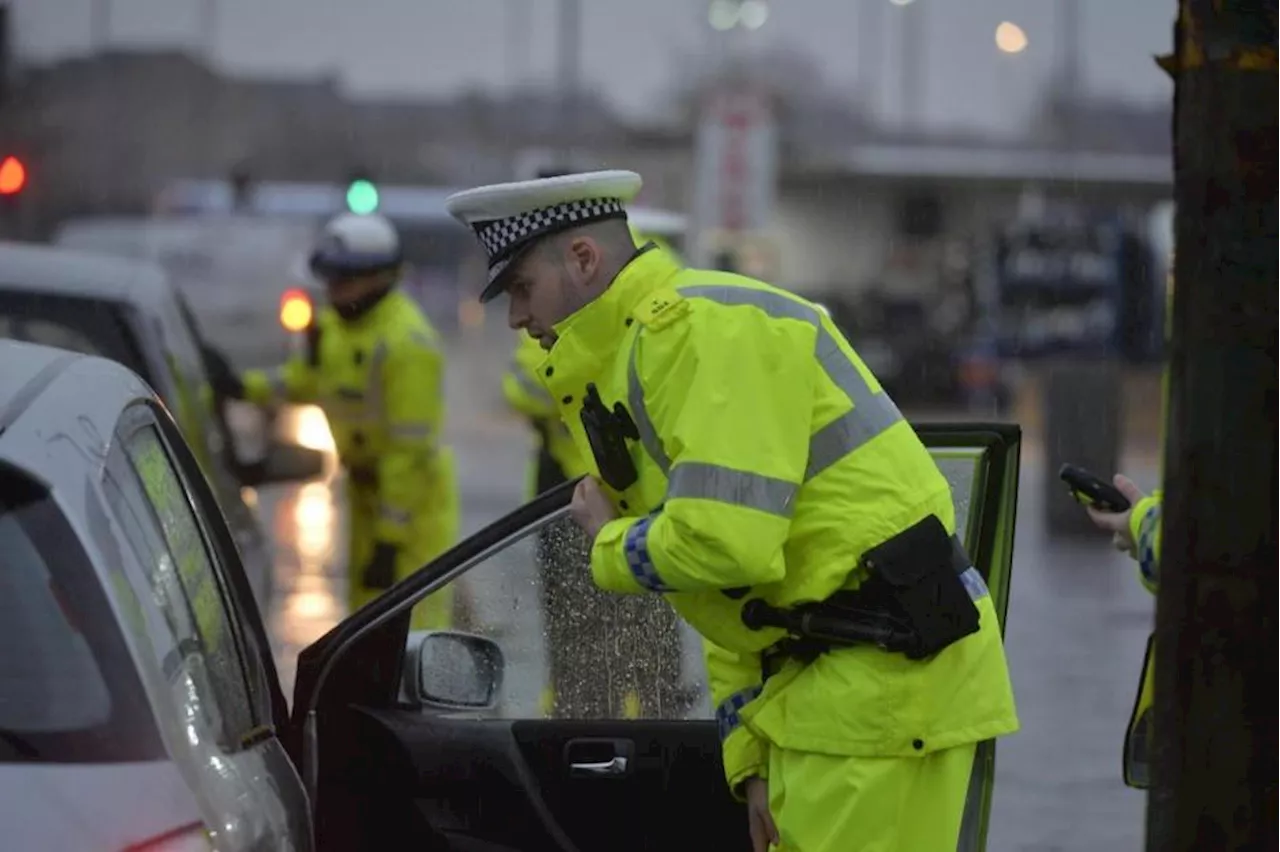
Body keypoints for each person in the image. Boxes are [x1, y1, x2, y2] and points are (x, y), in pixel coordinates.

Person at [446, 170, 1018, 851]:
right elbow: (727, 597)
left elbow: (729, 546)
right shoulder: (640, 355)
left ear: (583, 260)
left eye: (521, 289)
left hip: (881, 686)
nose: (515, 317)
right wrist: (748, 758)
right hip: (837, 686)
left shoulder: (700, 335)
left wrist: (609, 544)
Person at [207, 212, 461, 630]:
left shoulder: (408, 344)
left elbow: (408, 453)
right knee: (366, 625)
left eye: (343, 280)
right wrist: (240, 385)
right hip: (365, 496)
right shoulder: (337, 328)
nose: (333, 291)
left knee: (413, 631)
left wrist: (389, 541)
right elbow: (306, 382)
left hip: (413, 511)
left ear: (378, 278)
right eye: (330, 279)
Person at [500, 222, 695, 721]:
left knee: (582, 638)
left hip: (582, 493)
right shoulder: (650, 266)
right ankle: (654, 724)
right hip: (635, 495)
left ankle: (583, 725)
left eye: (522, 291)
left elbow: (525, 385)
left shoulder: (587, 278)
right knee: (647, 634)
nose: (518, 317)